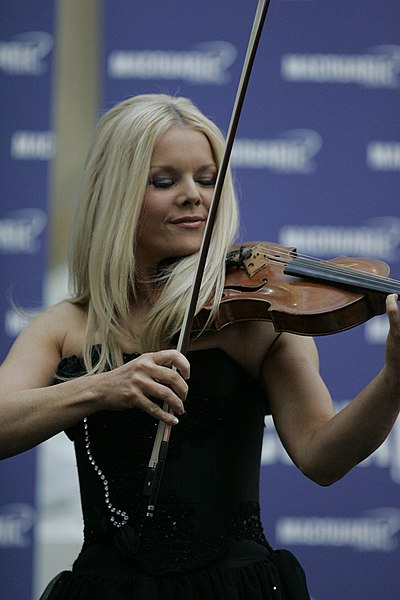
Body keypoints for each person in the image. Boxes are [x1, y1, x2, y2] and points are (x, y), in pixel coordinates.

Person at [1, 94, 399, 600]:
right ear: (115, 194)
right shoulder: (66, 326)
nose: (193, 195)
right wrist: (100, 388)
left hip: (238, 588)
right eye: (165, 181)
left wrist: (393, 379)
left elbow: (323, 457)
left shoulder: (258, 320)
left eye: (207, 179)